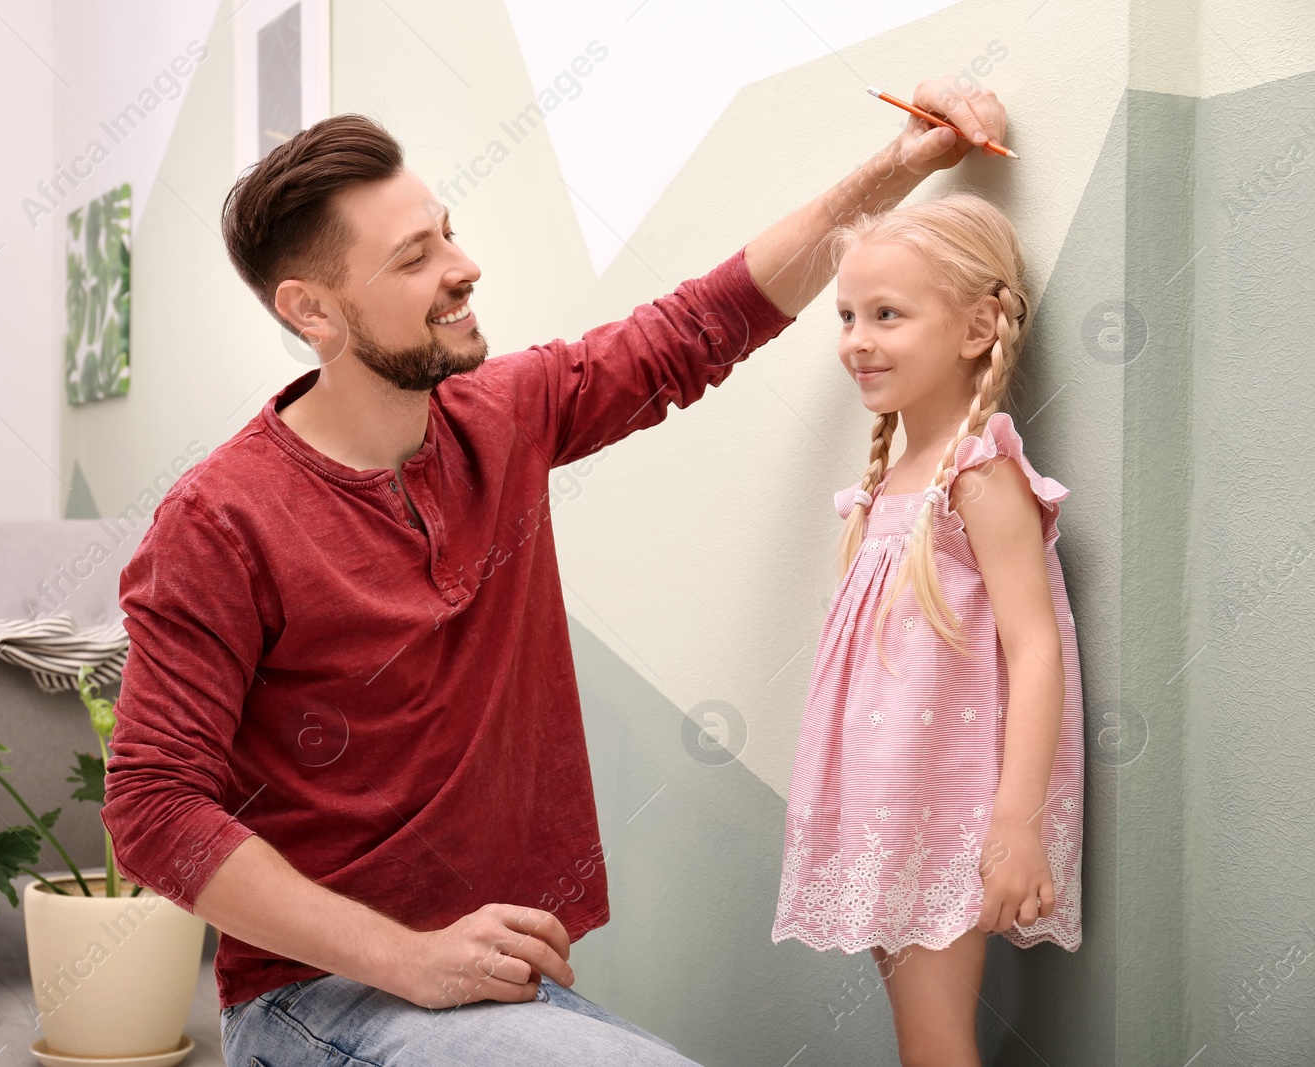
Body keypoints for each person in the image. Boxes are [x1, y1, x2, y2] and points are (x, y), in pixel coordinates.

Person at [101, 77, 1009, 1066]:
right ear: (310, 310)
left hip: (488, 988)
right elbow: (152, 804)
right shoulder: (219, 521)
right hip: (317, 1003)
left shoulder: (498, 417)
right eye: (416, 257)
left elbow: (694, 331)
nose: (463, 266)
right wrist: (402, 956)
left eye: (445, 231)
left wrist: (896, 169)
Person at [769, 192, 1084, 1065]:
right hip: (885, 801)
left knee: (935, 1043)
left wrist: (1017, 822)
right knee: (924, 1038)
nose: (857, 339)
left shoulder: (979, 476)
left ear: (979, 325)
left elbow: (1035, 644)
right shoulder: (893, 478)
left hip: (950, 812)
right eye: (847, 316)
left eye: (887, 315)